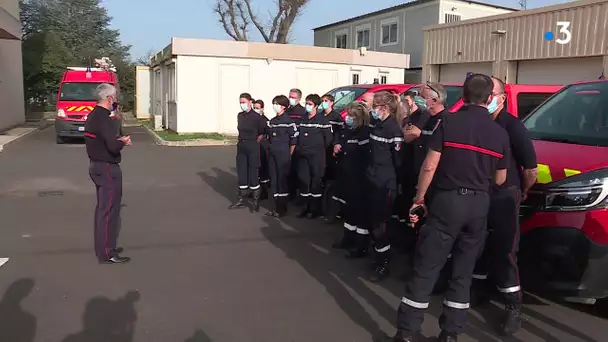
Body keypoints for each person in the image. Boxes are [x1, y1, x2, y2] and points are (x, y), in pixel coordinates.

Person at [388, 74, 510, 342]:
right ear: (490, 99)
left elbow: (429, 165)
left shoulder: (449, 123)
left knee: (426, 267)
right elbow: (501, 179)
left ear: (463, 96)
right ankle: (450, 334)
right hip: (478, 205)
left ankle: (407, 332)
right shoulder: (499, 133)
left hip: (446, 202)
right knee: (463, 274)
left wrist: (419, 199)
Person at [470, 76, 538, 336]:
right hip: (480, 193)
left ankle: (513, 306)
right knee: (478, 244)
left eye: (492, 92)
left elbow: (530, 169)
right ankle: (478, 289)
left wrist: (520, 191)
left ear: (501, 98)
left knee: (505, 250)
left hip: (504, 196)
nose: (487, 97)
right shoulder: (479, 124)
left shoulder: (512, 126)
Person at [83, 83, 131, 264]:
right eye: (115, 99)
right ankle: (107, 252)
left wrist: (116, 141)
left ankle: (104, 248)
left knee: (103, 209)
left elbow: (102, 140)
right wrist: (123, 142)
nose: (115, 103)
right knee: (109, 210)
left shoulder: (93, 115)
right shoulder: (104, 118)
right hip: (107, 168)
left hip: (96, 166)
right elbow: (112, 145)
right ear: (109, 98)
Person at [365, 91, 403, 282]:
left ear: (384, 108)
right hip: (373, 178)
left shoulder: (393, 129)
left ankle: (384, 263)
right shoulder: (377, 125)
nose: (372, 111)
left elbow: (397, 161)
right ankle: (378, 255)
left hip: (385, 182)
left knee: (381, 224)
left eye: (374, 107)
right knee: (373, 221)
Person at [331, 101, 371, 251]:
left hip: (360, 178)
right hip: (348, 176)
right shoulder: (350, 131)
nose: (348, 118)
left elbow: (365, 158)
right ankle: (348, 238)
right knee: (350, 210)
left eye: (351, 116)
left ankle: (360, 244)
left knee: (360, 211)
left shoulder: (364, 133)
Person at [295, 94, 333, 219]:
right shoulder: (302, 119)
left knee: (315, 182)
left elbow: (328, 140)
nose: (307, 106)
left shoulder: (323, 121)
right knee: (304, 181)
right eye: (307, 103)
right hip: (303, 156)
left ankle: (314, 209)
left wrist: (318, 149)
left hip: (317, 156)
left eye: (310, 104)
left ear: (316, 106)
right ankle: (305, 207)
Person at [229, 93, 266, 212]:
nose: (242, 105)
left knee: (253, 172)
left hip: (252, 145)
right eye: (240, 102)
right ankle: (241, 199)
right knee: (242, 172)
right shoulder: (240, 116)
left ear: (250, 102)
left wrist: (255, 142)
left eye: (244, 102)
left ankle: (256, 200)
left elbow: (261, 132)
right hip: (242, 145)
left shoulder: (257, 117)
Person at [264, 95, 298, 217]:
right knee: (274, 180)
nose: (275, 106)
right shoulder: (272, 122)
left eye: (277, 104)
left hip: (283, 155)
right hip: (272, 154)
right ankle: (275, 206)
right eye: (274, 103)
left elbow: (293, 141)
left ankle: (282, 208)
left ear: (283, 106)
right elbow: (268, 137)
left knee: (282, 181)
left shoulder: (289, 122)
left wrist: (289, 155)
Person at [319, 94, 344, 223]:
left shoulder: (336, 117)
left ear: (332, 103)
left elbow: (340, 134)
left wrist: (336, 144)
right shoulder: (320, 116)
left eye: (326, 101)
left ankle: (331, 210)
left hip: (331, 152)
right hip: (320, 150)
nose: (324, 103)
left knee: (330, 180)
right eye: (322, 101)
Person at [286, 88, 307, 201]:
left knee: (298, 171)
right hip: (286, 143)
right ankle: (291, 193)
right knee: (289, 171)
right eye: (290, 97)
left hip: (298, 145)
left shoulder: (302, 112)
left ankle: (299, 195)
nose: (291, 99)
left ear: (299, 99)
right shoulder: (287, 111)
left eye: (293, 97)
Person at [254, 99, 271, 200]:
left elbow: (268, 133)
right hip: (254, 146)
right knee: (256, 170)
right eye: (254, 108)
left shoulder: (265, 120)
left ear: (262, 109)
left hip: (263, 147)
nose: (255, 110)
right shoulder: (252, 119)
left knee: (263, 169)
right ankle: (255, 191)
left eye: (257, 108)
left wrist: (262, 136)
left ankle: (264, 192)